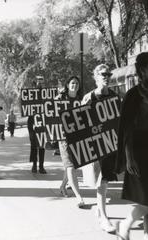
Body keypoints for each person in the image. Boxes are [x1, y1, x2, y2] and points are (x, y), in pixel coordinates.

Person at [115, 52, 148, 240]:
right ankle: (125, 224)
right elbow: (126, 128)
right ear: (143, 70)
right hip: (139, 151)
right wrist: (129, 156)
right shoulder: (133, 95)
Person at [81, 64, 117, 233]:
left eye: (108, 74)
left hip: (110, 145)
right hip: (95, 146)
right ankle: (103, 216)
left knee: (105, 179)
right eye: (103, 74)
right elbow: (79, 124)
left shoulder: (115, 96)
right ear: (95, 77)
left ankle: (99, 209)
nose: (106, 77)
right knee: (101, 180)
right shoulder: (89, 97)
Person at [57, 76, 85, 208]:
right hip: (63, 137)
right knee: (70, 166)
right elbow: (49, 113)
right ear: (68, 85)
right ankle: (79, 196)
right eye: (72, 82)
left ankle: (63, 186)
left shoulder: (81, 100)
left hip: (77, 136)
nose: (75, 85)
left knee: (72, 165)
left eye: (77, 83)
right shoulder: (60, 99)